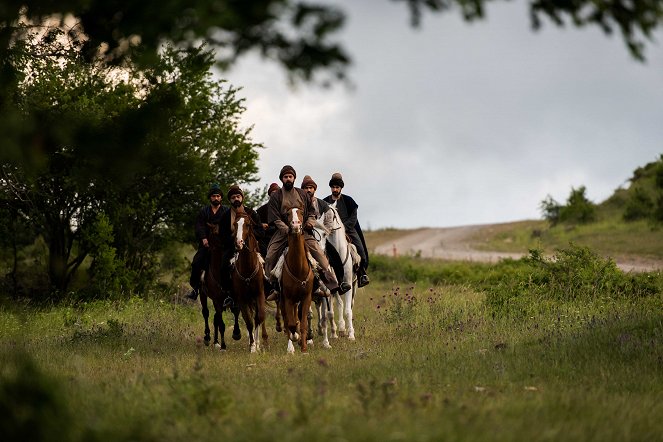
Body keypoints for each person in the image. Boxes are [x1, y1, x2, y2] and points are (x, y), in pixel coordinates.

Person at [264, 165, 341, 300]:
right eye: (285, 177)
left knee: (319, 253)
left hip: (303, 231)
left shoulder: (302, 194)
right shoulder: (276, 196)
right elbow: (275, 218)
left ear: (294, 178)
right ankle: (273, 287)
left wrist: (310, 222)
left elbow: (311, 212)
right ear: (282, 179)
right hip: (284, 233)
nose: (288, 179)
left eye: (290, 176)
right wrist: (287, 229)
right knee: (270, 256)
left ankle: (324, 283)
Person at [301, 175, 351, 294]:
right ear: (302, 189)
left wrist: (325, 231)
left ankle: (338, 282)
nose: (308, 190)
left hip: (319, 236)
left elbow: (329, 216)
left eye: (311, 188)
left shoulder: (322, 203)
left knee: (333, 255)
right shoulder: (298, 202)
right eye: (306, 188)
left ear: (314, 189)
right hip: (302, 234)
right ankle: (276, 284)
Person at [218, 185, 263, 305]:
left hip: (251, 247)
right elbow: (222, 235)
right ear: (230, 200)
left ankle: (269, 288)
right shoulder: (225, 216)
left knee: (267, 260)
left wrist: (251, 238)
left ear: (242, 197)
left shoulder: (251, 213)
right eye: (233, 197)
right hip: (233, 247)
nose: (236, 199)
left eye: (238, 196)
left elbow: (260, 231)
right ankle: (228, 294)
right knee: (223, 265)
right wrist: (233, 240)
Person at [324, 172, 370, 287]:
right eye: (333, 187)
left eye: (337, 187)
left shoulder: (349, 201)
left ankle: (361, 274)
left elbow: (353, 218)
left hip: (349, 230)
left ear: (341, 188)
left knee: (361, 251)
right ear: (331, 187)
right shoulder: (324, 202)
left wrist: (343, 229)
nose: (335, 189)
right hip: (331, 232)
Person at [186, 184, 228, 300]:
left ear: (221, 198)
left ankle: (231, 291)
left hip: (222, 246)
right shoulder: (204, 211)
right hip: (206, 244)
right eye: (214, 196)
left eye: (218, 196)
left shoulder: (226, 211)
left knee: (231, 264)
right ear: (210, 197)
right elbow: (199, 226)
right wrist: (204, 238)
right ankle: (195, 289)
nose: (216, 198)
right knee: (196, 263)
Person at [256, 182, 280, 258]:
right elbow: (256, 225)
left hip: (281, 235)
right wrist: (261, 225)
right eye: (273, 193)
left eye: (277, 193)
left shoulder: (284, 209)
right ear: (270, 195)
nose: (275, 195)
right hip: (266, 238)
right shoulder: (261, 210)